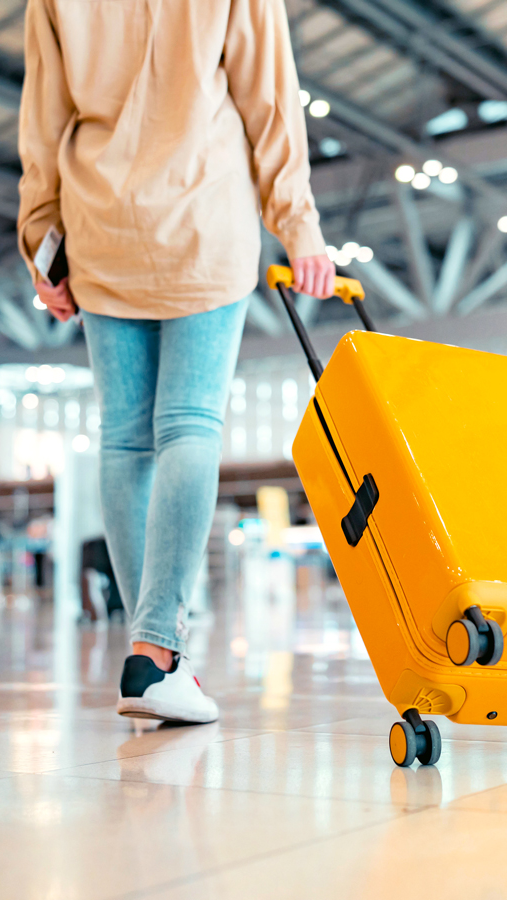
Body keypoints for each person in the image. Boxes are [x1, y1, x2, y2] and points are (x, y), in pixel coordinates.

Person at [17, 0, 335, 723]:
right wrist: (300, 225)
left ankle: (149, 658)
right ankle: (158, 652)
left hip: (102, 227)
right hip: (203, 218)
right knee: (189, 424)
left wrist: (40, 236)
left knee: (127, 440)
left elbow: (41, 116)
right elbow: (270, 99)